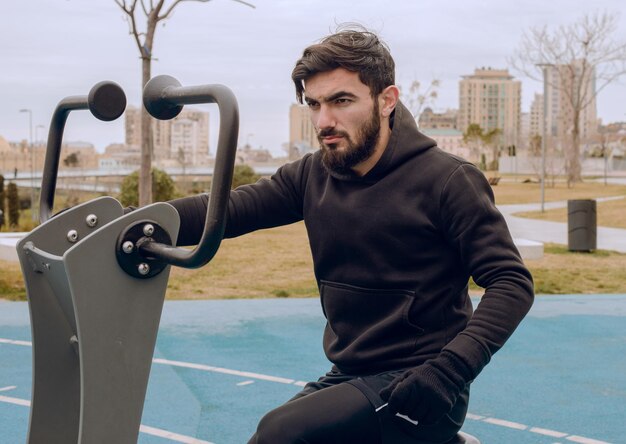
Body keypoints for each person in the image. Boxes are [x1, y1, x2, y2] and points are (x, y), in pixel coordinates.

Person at [169, 27, 534, 444]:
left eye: (341, 101)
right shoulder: (311, 175)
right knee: (267, 435)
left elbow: (511, 282)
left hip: (421, 385)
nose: (325, 121)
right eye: (314, 104)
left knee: (281, 434)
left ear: (386, 100)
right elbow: (226, 210)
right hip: (350, 374)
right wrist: (131, 221)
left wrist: (449, 371)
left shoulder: (447, 180)